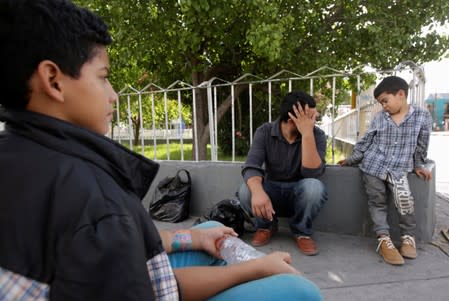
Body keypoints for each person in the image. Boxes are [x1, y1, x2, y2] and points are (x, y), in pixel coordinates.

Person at [0, 0, 323, 300]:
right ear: (53, 80)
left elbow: (312, 173)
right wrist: (255, 268)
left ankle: (288, 236)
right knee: (298, 290)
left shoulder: (25, 154)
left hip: (290, 195)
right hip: (148, 288)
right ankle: (262, 243)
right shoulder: (91, 195)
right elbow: (155, 291)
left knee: (210, 229)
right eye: (104, 78)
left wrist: (191, 238)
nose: (113, 95)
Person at [338, 76, 433, 266]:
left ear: (400, 94)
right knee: (377, 201)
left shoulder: (422, 117)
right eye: (381, 103)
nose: (383, 106)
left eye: (385, 101)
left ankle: (408, 238)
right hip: (373, 167)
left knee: (404, 201)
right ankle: (384, 239)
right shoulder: (380, 117)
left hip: (399, 169)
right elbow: (367, 140)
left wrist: (419, 165)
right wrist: (352, 159)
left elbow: (421, 145)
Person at [238, 91, 328, 256]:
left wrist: (307, 134)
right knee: (246, 190)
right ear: (292, 118)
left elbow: (312, 173)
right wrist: (258, 192)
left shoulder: (317, 135)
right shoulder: (265, 131)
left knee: (314, 187)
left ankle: (301, 232)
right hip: (271, 191)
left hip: (299, 191)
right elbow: (251, 165)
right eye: (311, 115)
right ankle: (266, 226)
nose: (316, 118)